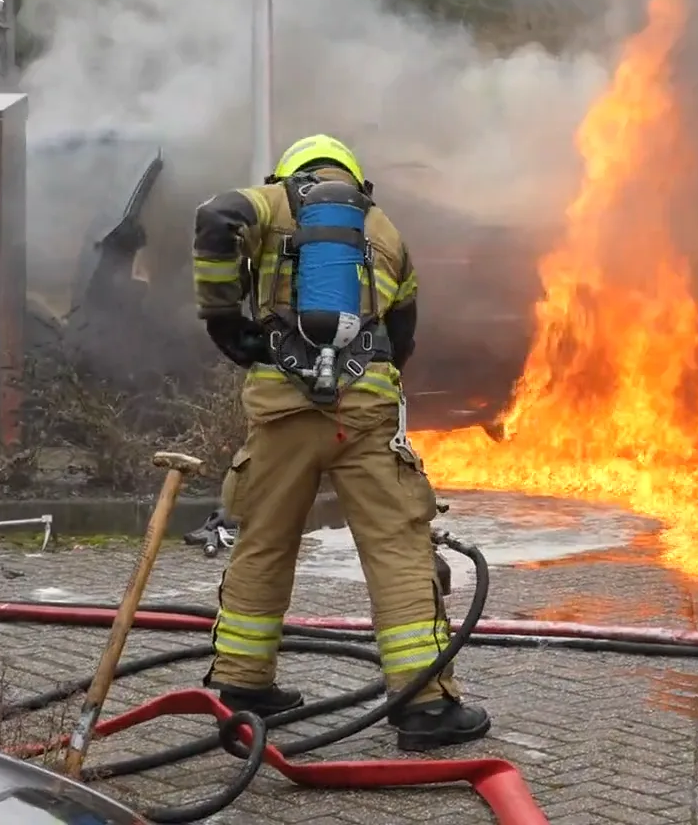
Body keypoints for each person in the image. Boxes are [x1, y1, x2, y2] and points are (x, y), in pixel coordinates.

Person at [190, 133, 490, 751]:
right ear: (358, 182)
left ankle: (245, 689)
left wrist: (225, 321)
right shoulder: (384, 229)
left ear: (287, 174)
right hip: (364, 414)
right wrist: (371, 380)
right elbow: (403, 331)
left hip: (282, 413)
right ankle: (425, 708)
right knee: (399, 550)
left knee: (264, 544)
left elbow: (216, 217)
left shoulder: (271, 204)